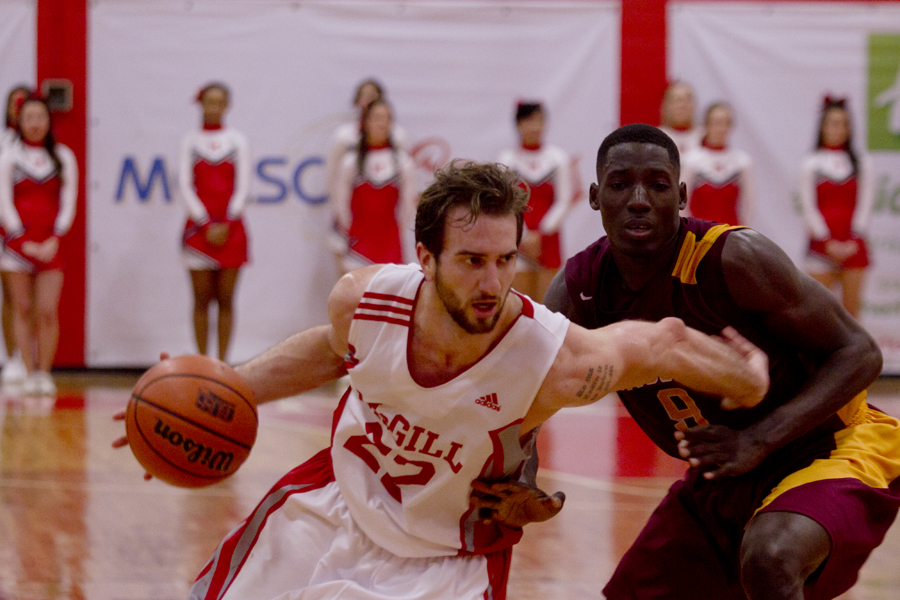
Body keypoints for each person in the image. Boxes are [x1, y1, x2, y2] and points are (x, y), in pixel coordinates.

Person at [115, 161, 768, 600]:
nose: (492, 283)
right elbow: (330, 349)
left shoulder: (554, 358)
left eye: (506, 259)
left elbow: (658, 343)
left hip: (445, 563)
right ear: (424, 257)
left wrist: (747, 379)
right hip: (325, 514)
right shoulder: (363, 300)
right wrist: (228, 391)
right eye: (471, 261)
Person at [476, 124, 900, 600]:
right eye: (620, 185)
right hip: (724, 471)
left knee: (770, 557)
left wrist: (758, 439)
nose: (639, 199)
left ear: (680, 196)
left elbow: (860, 352)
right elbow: (527, 393)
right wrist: (525, 478)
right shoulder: (581, 288)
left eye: (657, 185)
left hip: (828, 447)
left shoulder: (735, 258)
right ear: (595, 197)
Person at [0, 94, 78, 396]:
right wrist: (20, 240)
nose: (35, 124)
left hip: (50, 246)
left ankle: (44, 373)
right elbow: (4, 201)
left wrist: (55, 238)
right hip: (17, 246)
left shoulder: (63, 156)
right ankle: (27, 369)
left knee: (47, 310)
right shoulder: (9, 156)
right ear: (19, 121)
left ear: (49, 121)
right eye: (28, 118)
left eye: (40, 118)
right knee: (21, 308)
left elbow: (69, 201)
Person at [178, 82, 251, 362]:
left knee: (226, 300)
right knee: (200, 299)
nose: (213, 107)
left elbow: (242, 186)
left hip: (231, 230)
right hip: (199, 231)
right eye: (209, 101)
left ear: (227, 105)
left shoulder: (238, 141)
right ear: (201, 104)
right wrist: (205, 223)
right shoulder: (190, 141)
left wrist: (227, 222)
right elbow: (185, 185)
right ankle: (202, 362)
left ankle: (223, 363)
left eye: (219, 101)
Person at [798, 96, 874, 319]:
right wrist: (826, 241)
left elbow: (866, 203)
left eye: (843, 123)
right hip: (821, 246)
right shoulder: (811, 163)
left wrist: (854, 239)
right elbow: (808, 206)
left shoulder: (862, 162)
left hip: (854, 245)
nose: (838, 128)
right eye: (833, 123)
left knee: (852, 316)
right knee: (819, 315)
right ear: (823, 126)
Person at [497, 101, 574, 302]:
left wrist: (541, 234)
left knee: (547, 306)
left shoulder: (558, 159)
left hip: (547, 240)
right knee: (516, 305)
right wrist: (523, 236)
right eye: (528, 121)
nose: (534, 127)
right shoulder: (506, 161)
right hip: (516, 238)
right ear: (518, 125)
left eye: (540, 121)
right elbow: (504, 202)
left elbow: (564, 200)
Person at [331, 98, 417, 274]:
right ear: (365, 122)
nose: (382, 123)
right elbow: (341, 205)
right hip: (358, 245)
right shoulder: (351, 162)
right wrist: (347, 238)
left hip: (390, 244)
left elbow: (408, 206)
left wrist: (395, 233)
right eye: (377, 118)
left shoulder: (403, 162)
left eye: (387, 118)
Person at [323, 78, 409, 204]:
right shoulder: (345, 136)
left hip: (387, 207)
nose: (368, 101)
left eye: (372, 96)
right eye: (363, 96)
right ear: (357, 101)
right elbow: (332, 174)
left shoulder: (398, 136)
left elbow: (405, 178)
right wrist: (338, 206)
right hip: (353, 207)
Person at [0, 84, 31, 386]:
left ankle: (29, 356)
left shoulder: (42, 150)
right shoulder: (3, 142)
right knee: (9, 295)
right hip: (3, 227)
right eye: (15, 103)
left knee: (28, 296)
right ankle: (11, 356)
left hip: (27, 229)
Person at [681, 102, 755, 226]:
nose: (720, 128)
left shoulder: (742, 161)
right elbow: (681, 204)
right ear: (706, 125)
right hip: (700, 236)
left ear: (731, 126)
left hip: (730, 235)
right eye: (716, 122)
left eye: (725, 123)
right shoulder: (692, 160)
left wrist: (741, 232)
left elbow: (749, 205)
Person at [658, 80, 702, 157]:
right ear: (667, 106)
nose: (682, 106)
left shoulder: (704, 137)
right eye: (677, 100)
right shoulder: (656, 137)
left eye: (687, 100)